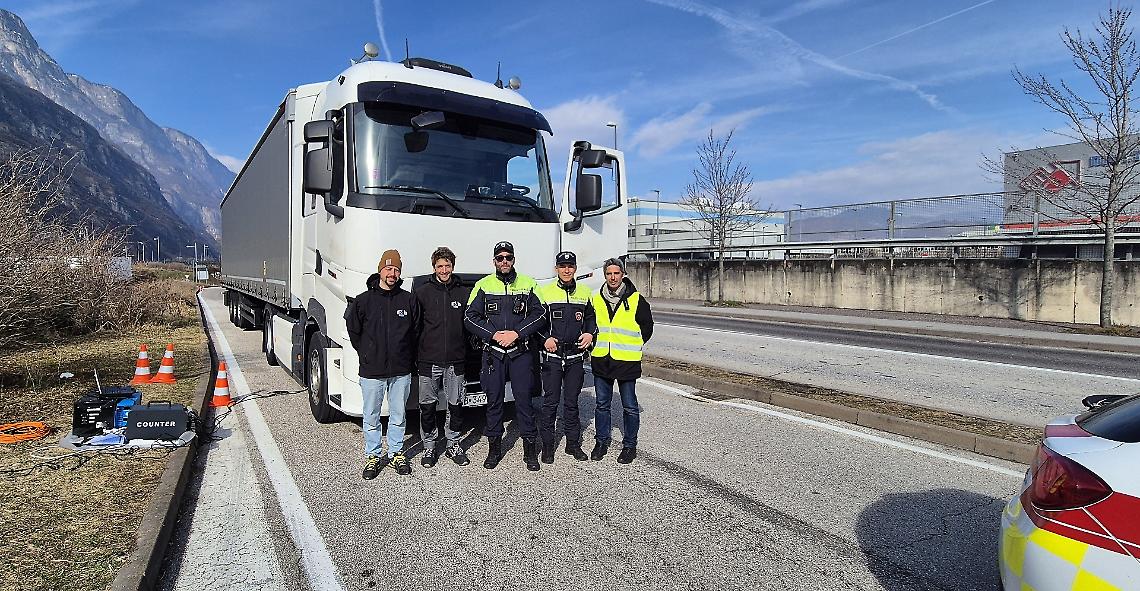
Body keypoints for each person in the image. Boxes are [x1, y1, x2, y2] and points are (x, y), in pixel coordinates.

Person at [464, 241, 546, 471]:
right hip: (494, 354)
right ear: (494, 261)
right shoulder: (483, 285)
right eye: (499, 258)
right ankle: (494, 449)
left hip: (521, 352)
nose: (504, 261)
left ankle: (530, 451)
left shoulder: (528, 284)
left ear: (513, 260)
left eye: (508, 257)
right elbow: (469, 317)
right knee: (494, 402)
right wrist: (493, 335)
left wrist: (517, 334)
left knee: (524, 402)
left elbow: (541, 315)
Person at [345, 249, 420, 479]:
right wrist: (367, 353)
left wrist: (407, 357)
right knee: (371, 415)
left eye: (396, 270)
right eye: (388, 269)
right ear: (380, 270)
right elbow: (353, 330)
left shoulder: (408, 300)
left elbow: (416, 332)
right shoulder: (363, 301)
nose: (392, 273)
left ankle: (396, 452)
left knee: (398, 414)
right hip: (372, 370)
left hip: (400, 370)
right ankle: (373, 455)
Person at [590, 257, 653, 464]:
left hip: (626, 361)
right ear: (605, 275)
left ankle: (629, 446)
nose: (613, 277)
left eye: (617, 273)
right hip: (601, 359)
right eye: (609, 274)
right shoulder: (595, 298)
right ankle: (601, 442)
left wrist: (634, 344)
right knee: (602, 405)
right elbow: (589, 327)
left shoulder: (636, 299)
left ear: (623, 274)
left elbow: (647, 327)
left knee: (629, 407)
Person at [536, 251, 596, 463]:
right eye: (562, 266)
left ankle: (573, 444)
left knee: (571, 403)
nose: (567, 269)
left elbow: (591, 319)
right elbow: (537, 324)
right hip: (552, 357)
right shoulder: (545, 292)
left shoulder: (585, 292)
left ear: (575, 268)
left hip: (575, 357)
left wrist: (590, 333)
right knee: (550, 403)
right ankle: (548, 446)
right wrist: (545, 339)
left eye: (570, 266)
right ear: (556, 269)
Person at [414, 246, 471, 467]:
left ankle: (453, 443)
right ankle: (429, 447)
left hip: (456, 361)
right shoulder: (422, 293)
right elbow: (415, 328)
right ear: (434, 267)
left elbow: (469, 326)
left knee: (455, 404)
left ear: (453, 266)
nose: (444, 269)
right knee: (427, 405)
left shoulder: (462, 292)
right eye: (440, 266)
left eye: (448, 265)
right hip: (429, 360)